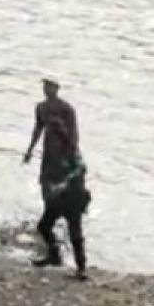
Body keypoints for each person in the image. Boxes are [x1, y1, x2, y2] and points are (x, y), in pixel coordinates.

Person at [33, 117, 91, 280]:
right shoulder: (53, 153)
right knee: (44, 226)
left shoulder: (71, 150)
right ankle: (54, 255)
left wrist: (64, 183)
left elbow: (81, 168)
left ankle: (81, 268)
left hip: (74, 196)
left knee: (75, 233)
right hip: (59, 197)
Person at [22, 77, 80, 204]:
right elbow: (37, 130)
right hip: (48, 150)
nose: (46, 89)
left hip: (63, 151)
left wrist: (72, 152)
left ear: (57, 89)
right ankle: (48, 207)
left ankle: (60, 207)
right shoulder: (41, 107)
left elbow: (74, 133)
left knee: (63, 182)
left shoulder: (66, 109)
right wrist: (29, 151)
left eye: (49, 86)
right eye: (45, 86)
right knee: (45, 181)